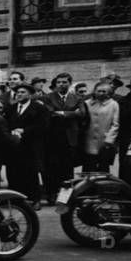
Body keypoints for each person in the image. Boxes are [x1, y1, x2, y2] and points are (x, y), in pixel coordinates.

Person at [4, 82, 49, 207]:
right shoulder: (10, 108)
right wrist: (11, 132)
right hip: (14, 147)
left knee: (31, 173)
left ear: (30, 94)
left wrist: (24, 130)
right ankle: (15, 200)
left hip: (31, 146)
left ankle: (35, 199)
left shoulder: (39, 108)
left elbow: (43, 126)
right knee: (13, 173)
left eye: (23, 92)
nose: (19, 94)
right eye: (18, 92)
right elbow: (5, 124)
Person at [41, 73, 84, 203]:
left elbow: (82, 113)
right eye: (59, 82)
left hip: (69, 139)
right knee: (51, 168)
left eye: (64, 82)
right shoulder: (47, 97)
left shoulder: (76, 98)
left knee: (67, 169)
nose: (61, 84)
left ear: (69, 83)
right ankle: (51, 195)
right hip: (52, 138)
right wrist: (71, 113)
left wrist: (62, 113)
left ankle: (65, 197)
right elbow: (50, 113)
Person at [82, 80, 120, 172]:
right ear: (94, 91)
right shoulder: (87, 103)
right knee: (88, 167)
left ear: (109, 92)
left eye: (104, 91)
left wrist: (109, 140)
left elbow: (115, 124)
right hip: (89, 140)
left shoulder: (113, 104)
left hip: (104, 141)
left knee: (103, 167)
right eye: (99, 91)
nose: (101, 93)